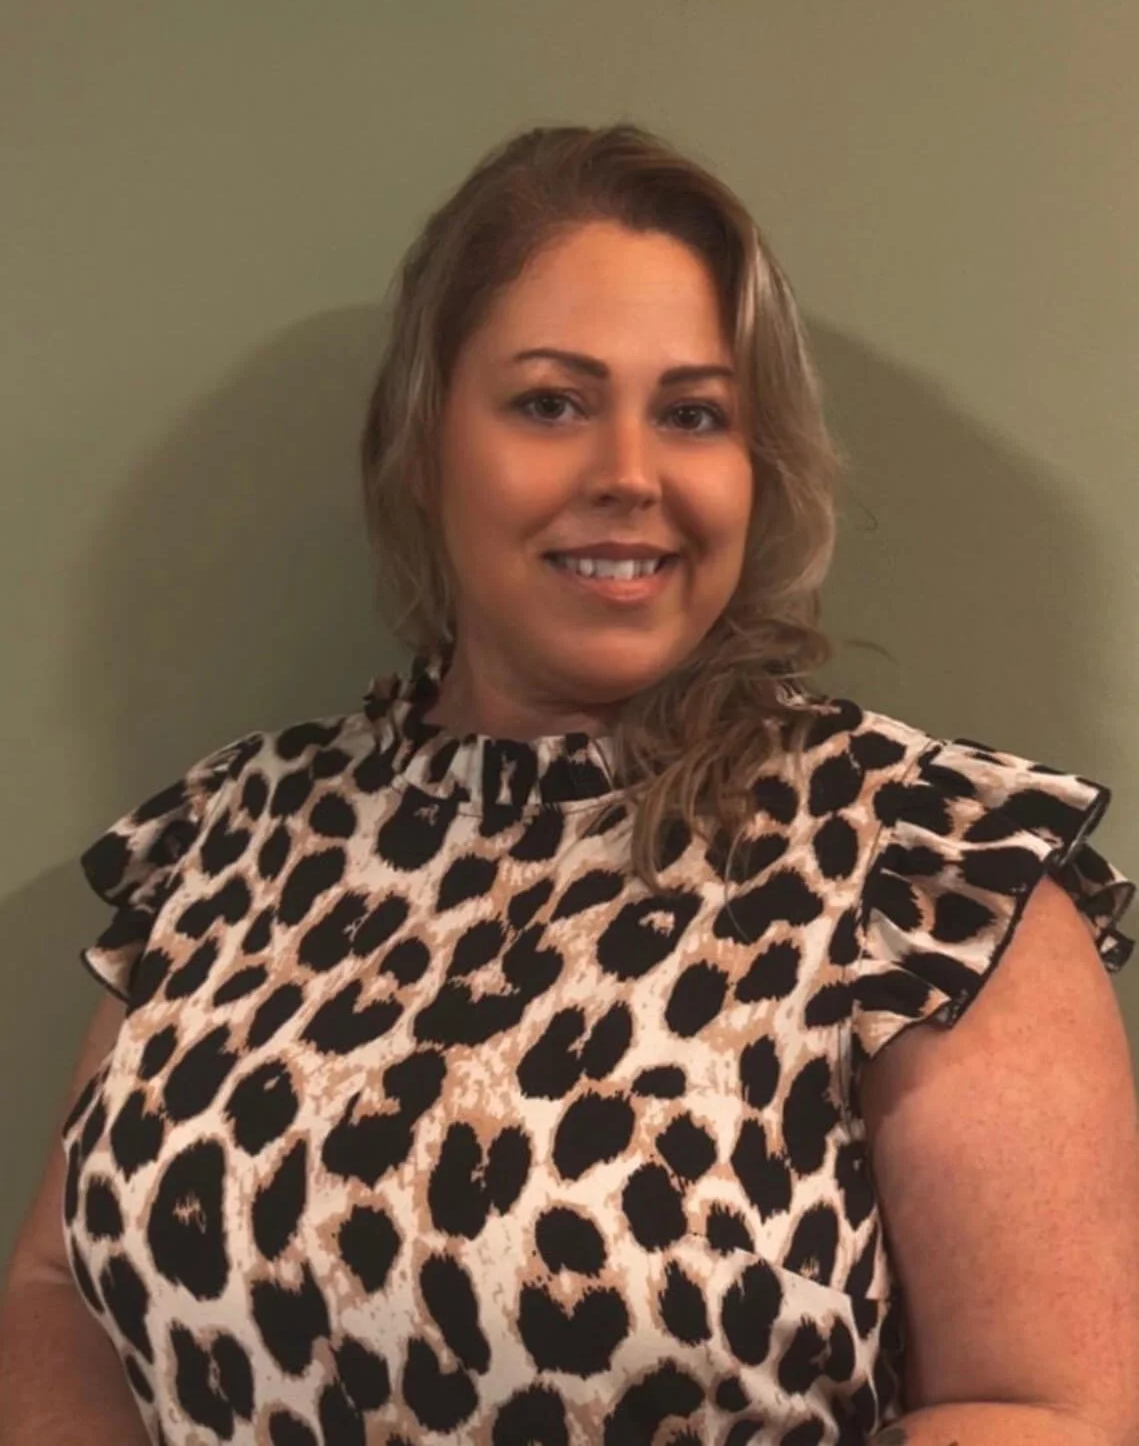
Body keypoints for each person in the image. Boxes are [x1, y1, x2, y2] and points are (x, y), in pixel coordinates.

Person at [1, 123, 1136, 1446]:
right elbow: (55, 1295)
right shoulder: (226, 837)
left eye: (694, 414)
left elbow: (1046, 1410)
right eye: (551, 401)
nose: (629, 476)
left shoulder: (923, 863)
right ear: (425, 447)